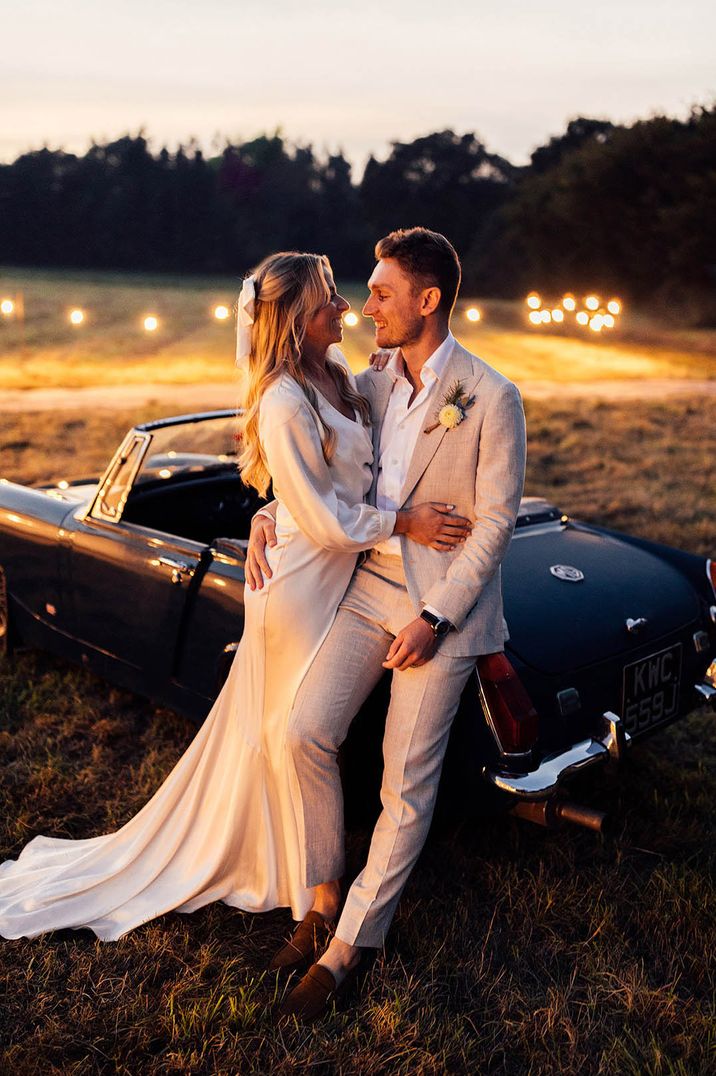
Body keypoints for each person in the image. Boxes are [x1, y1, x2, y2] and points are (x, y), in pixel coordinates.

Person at [0, 251, 471, 943]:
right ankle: (300, 880)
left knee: (293, 729)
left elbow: (328, 485)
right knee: (288, 726)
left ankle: (300, 868)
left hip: (339, 572)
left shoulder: (337, 374)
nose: (344, 308)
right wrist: (402, 523)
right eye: (329, 300)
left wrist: (266, 512)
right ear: (293, 321)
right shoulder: (283, 398)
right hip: (299, 587)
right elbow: (327, 518)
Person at [248, 228, 527, 1021]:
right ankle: (324, 895)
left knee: (404, 786)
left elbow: (496, 525)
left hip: (444, 610)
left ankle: (346, 951)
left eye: (381, 293)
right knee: (305, 731)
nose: (364, 306)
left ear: (427, 301)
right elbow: (336, 475)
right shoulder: (367, 380)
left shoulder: (490, 395)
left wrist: (436, 618)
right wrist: (271, 513)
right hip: (367, 587)